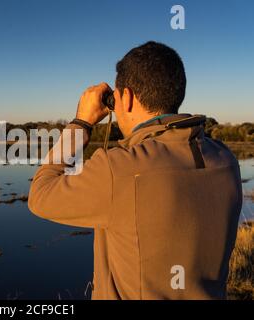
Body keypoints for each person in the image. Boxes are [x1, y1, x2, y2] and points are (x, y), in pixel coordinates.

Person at [28, 41, 243, 300]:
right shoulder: (225, 159)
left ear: (127, 98)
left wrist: (80, 123)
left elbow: (40, 195)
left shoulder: (120, 169)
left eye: (116, 100)